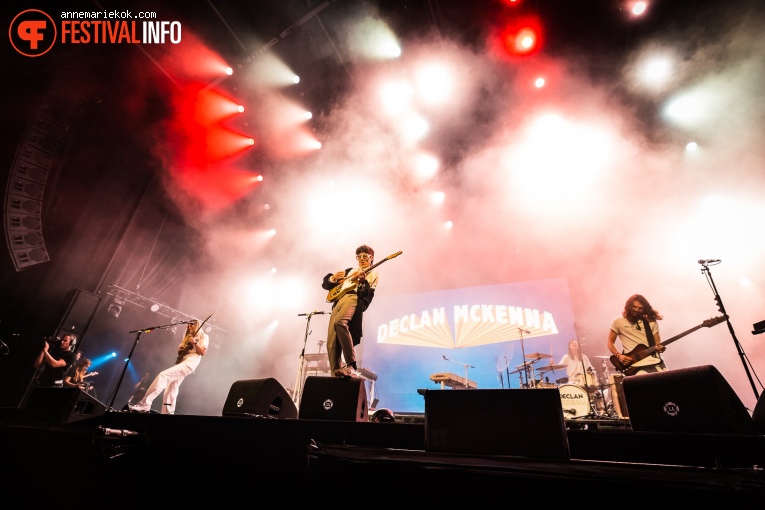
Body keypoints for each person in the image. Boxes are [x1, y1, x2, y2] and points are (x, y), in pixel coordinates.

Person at [129, 319, 209, 414]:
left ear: (196, 325)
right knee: (171, 389)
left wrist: (195, 343)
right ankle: (168, 413)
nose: (189, 327)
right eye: (188, 326)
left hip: (189, 364)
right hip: (182, 363)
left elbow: (202, 352)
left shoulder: (204, 336)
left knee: (163, 376)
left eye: (191, 325)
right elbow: (180, 353)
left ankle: (144, 405)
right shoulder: (187, 336)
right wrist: (181, 348)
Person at [322, 244, 378, 378]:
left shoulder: (372, 273)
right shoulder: (350, 271)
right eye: (359, 257)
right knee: (331, 342)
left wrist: (362, 281)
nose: (362, 259)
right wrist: (333, 278)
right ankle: (335, 375)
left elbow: (367, 296)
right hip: (338, 301)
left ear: (371, 258)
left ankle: (351, 365)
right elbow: (326, 285)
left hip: (353, 297)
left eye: (365, 256)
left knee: (340, 323)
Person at [607, 294, 666, 375]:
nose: (636, 309)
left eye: (640, 308)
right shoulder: (618, 321)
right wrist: (619, 356)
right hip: (634, 364)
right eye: (634, 307)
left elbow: (658, 342)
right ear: (628, 306)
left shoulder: (651, 321)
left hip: (654, 360)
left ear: (644, 309)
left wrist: (660, 348)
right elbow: (610, 342)